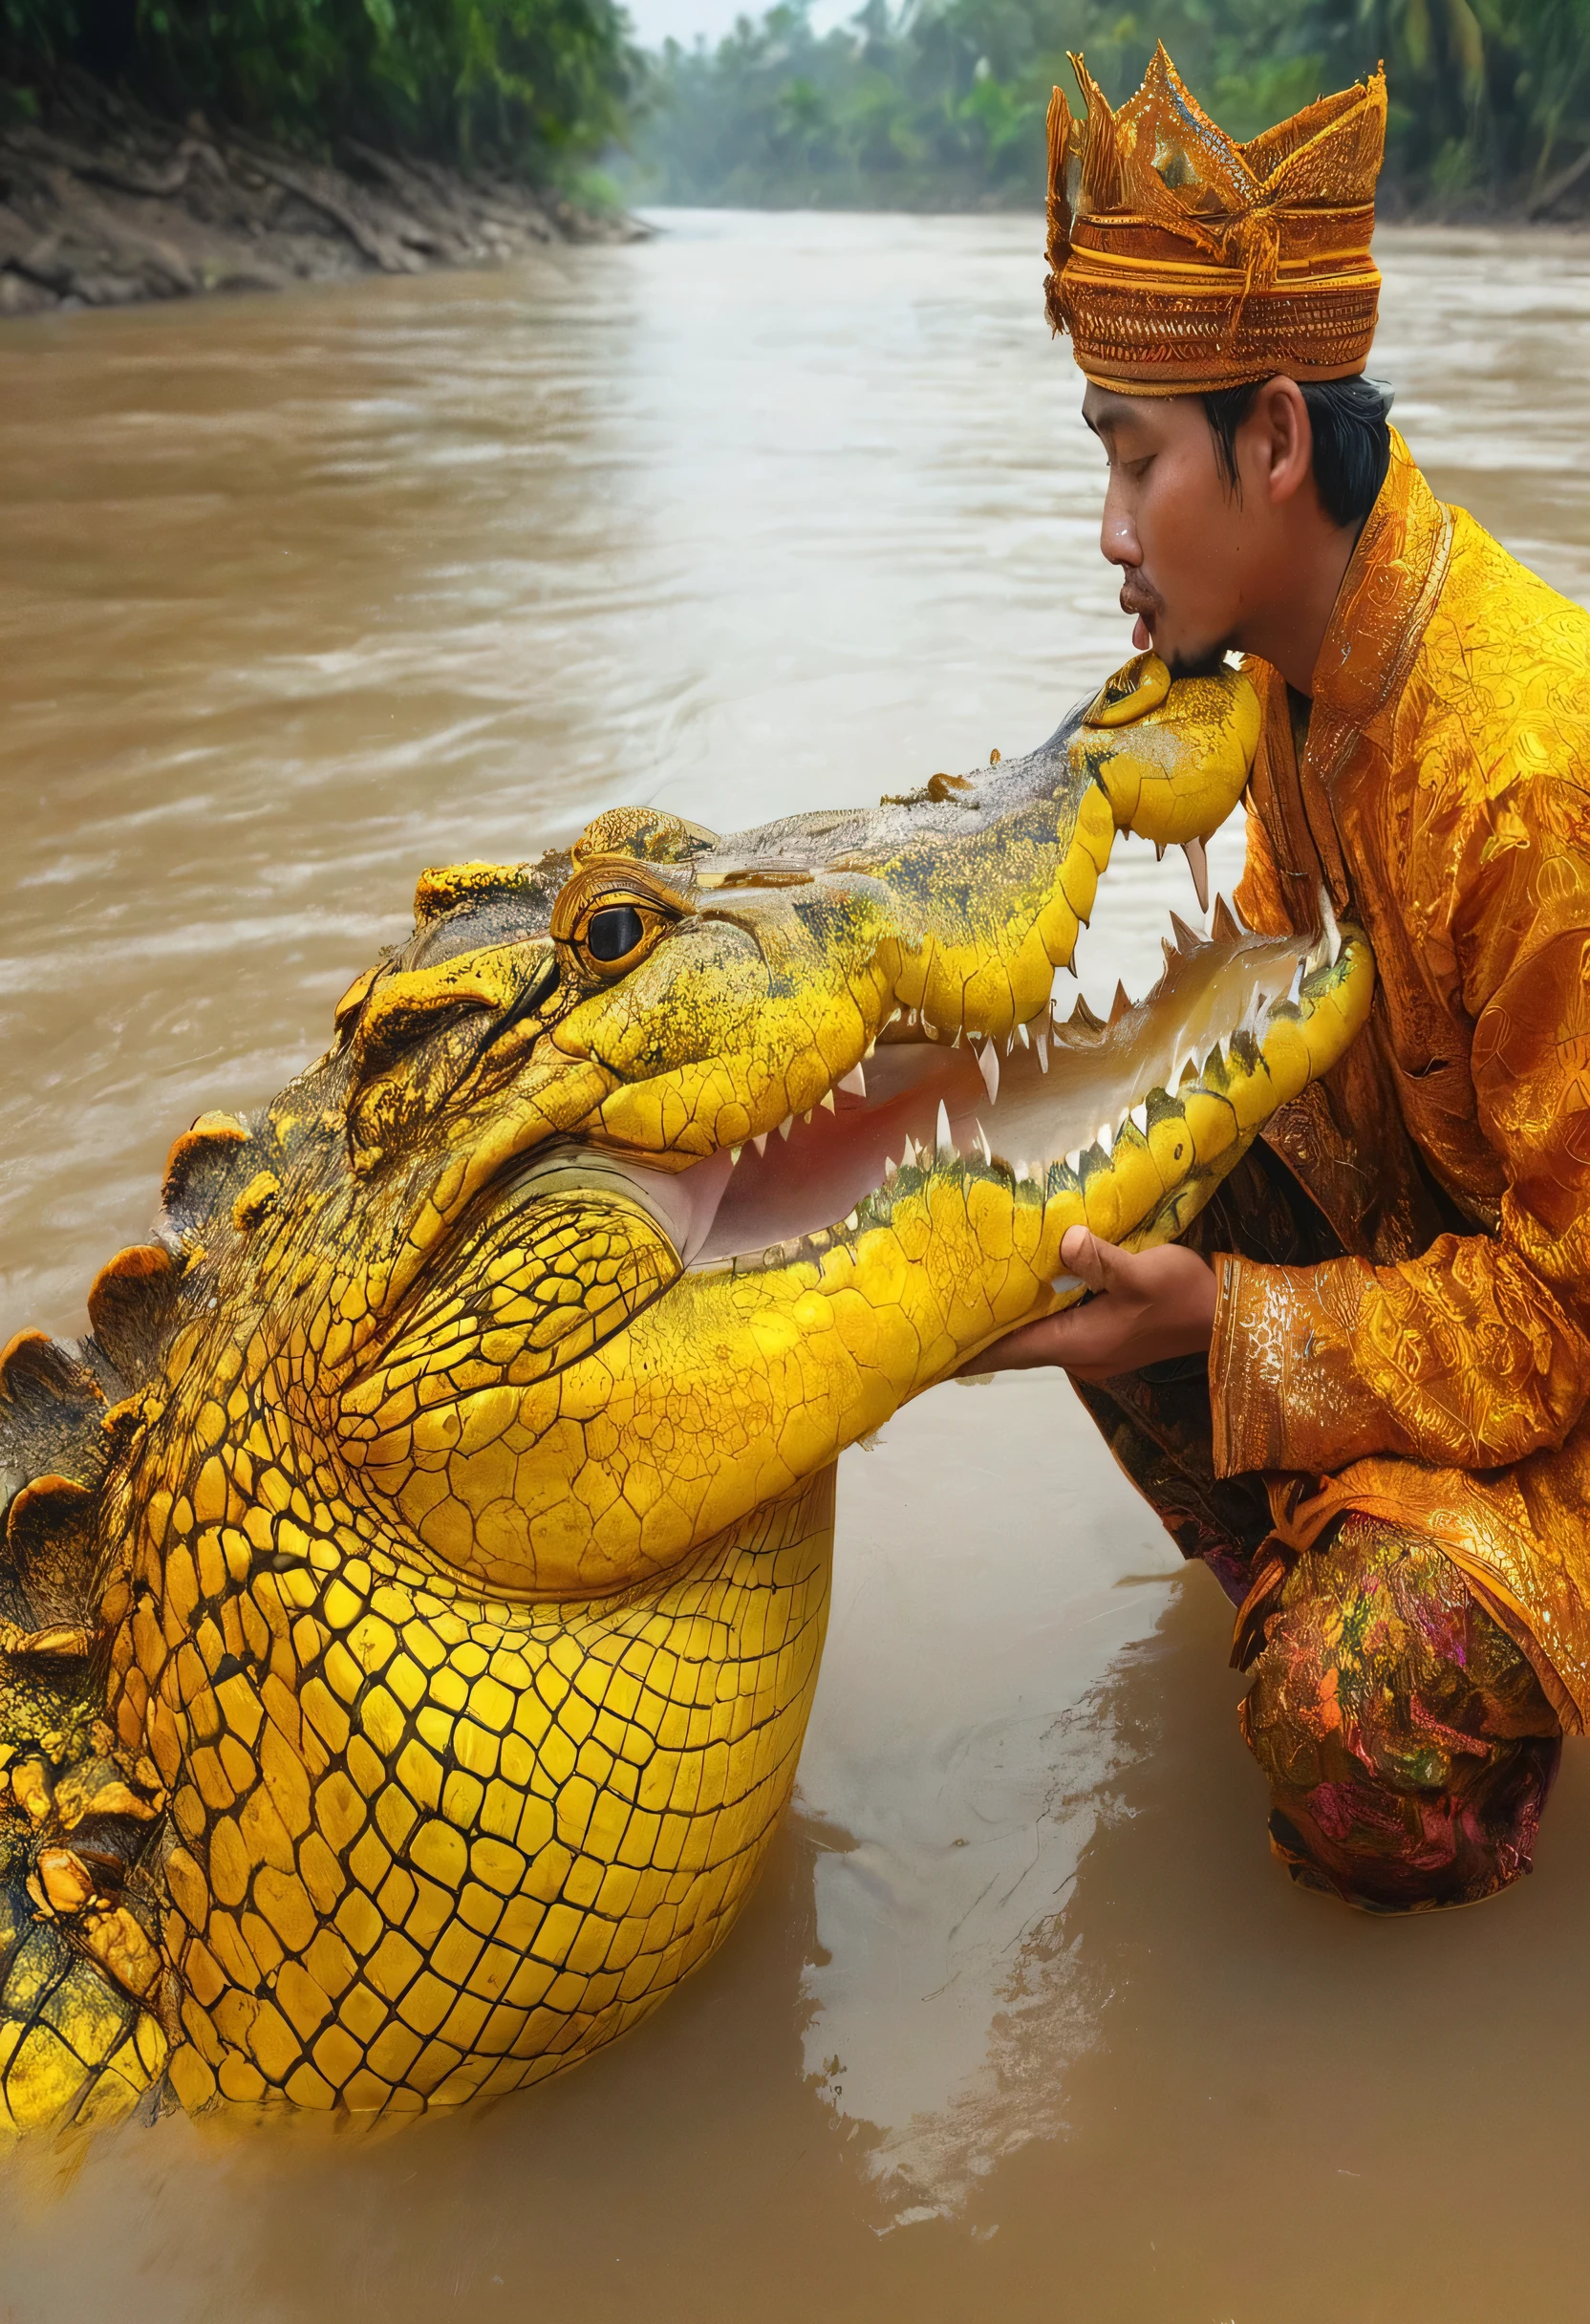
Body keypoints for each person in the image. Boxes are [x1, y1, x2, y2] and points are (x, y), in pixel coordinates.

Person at [969, 47, 1590, 1912]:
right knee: (1064, 1175)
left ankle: (1443, 1671)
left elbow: (1564, 1322)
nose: (1107, 533)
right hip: (1452, 1270)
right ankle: (1349, 1546)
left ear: (1272, 441)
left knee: (1343, 1719)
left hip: (1564, 1337)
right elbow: (1271, 1038)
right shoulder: (1294, 686)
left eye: (1132, 458)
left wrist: (1234, 1325)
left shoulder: (1516, 774)